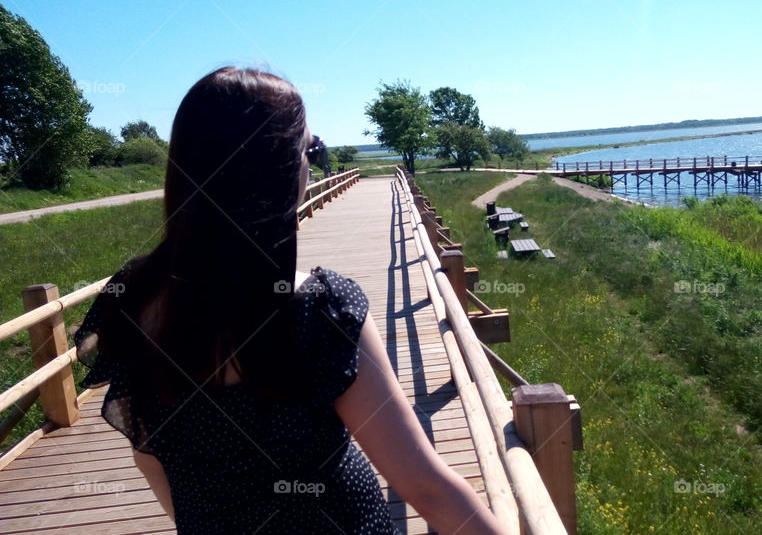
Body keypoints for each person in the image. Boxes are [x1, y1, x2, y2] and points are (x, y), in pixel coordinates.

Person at [73, 66, 507, 535]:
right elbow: (426, 487)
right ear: (279, 169)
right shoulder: (319, 309)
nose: (310, 163)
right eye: (309, 150)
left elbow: (149, 458)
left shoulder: (131, 297)